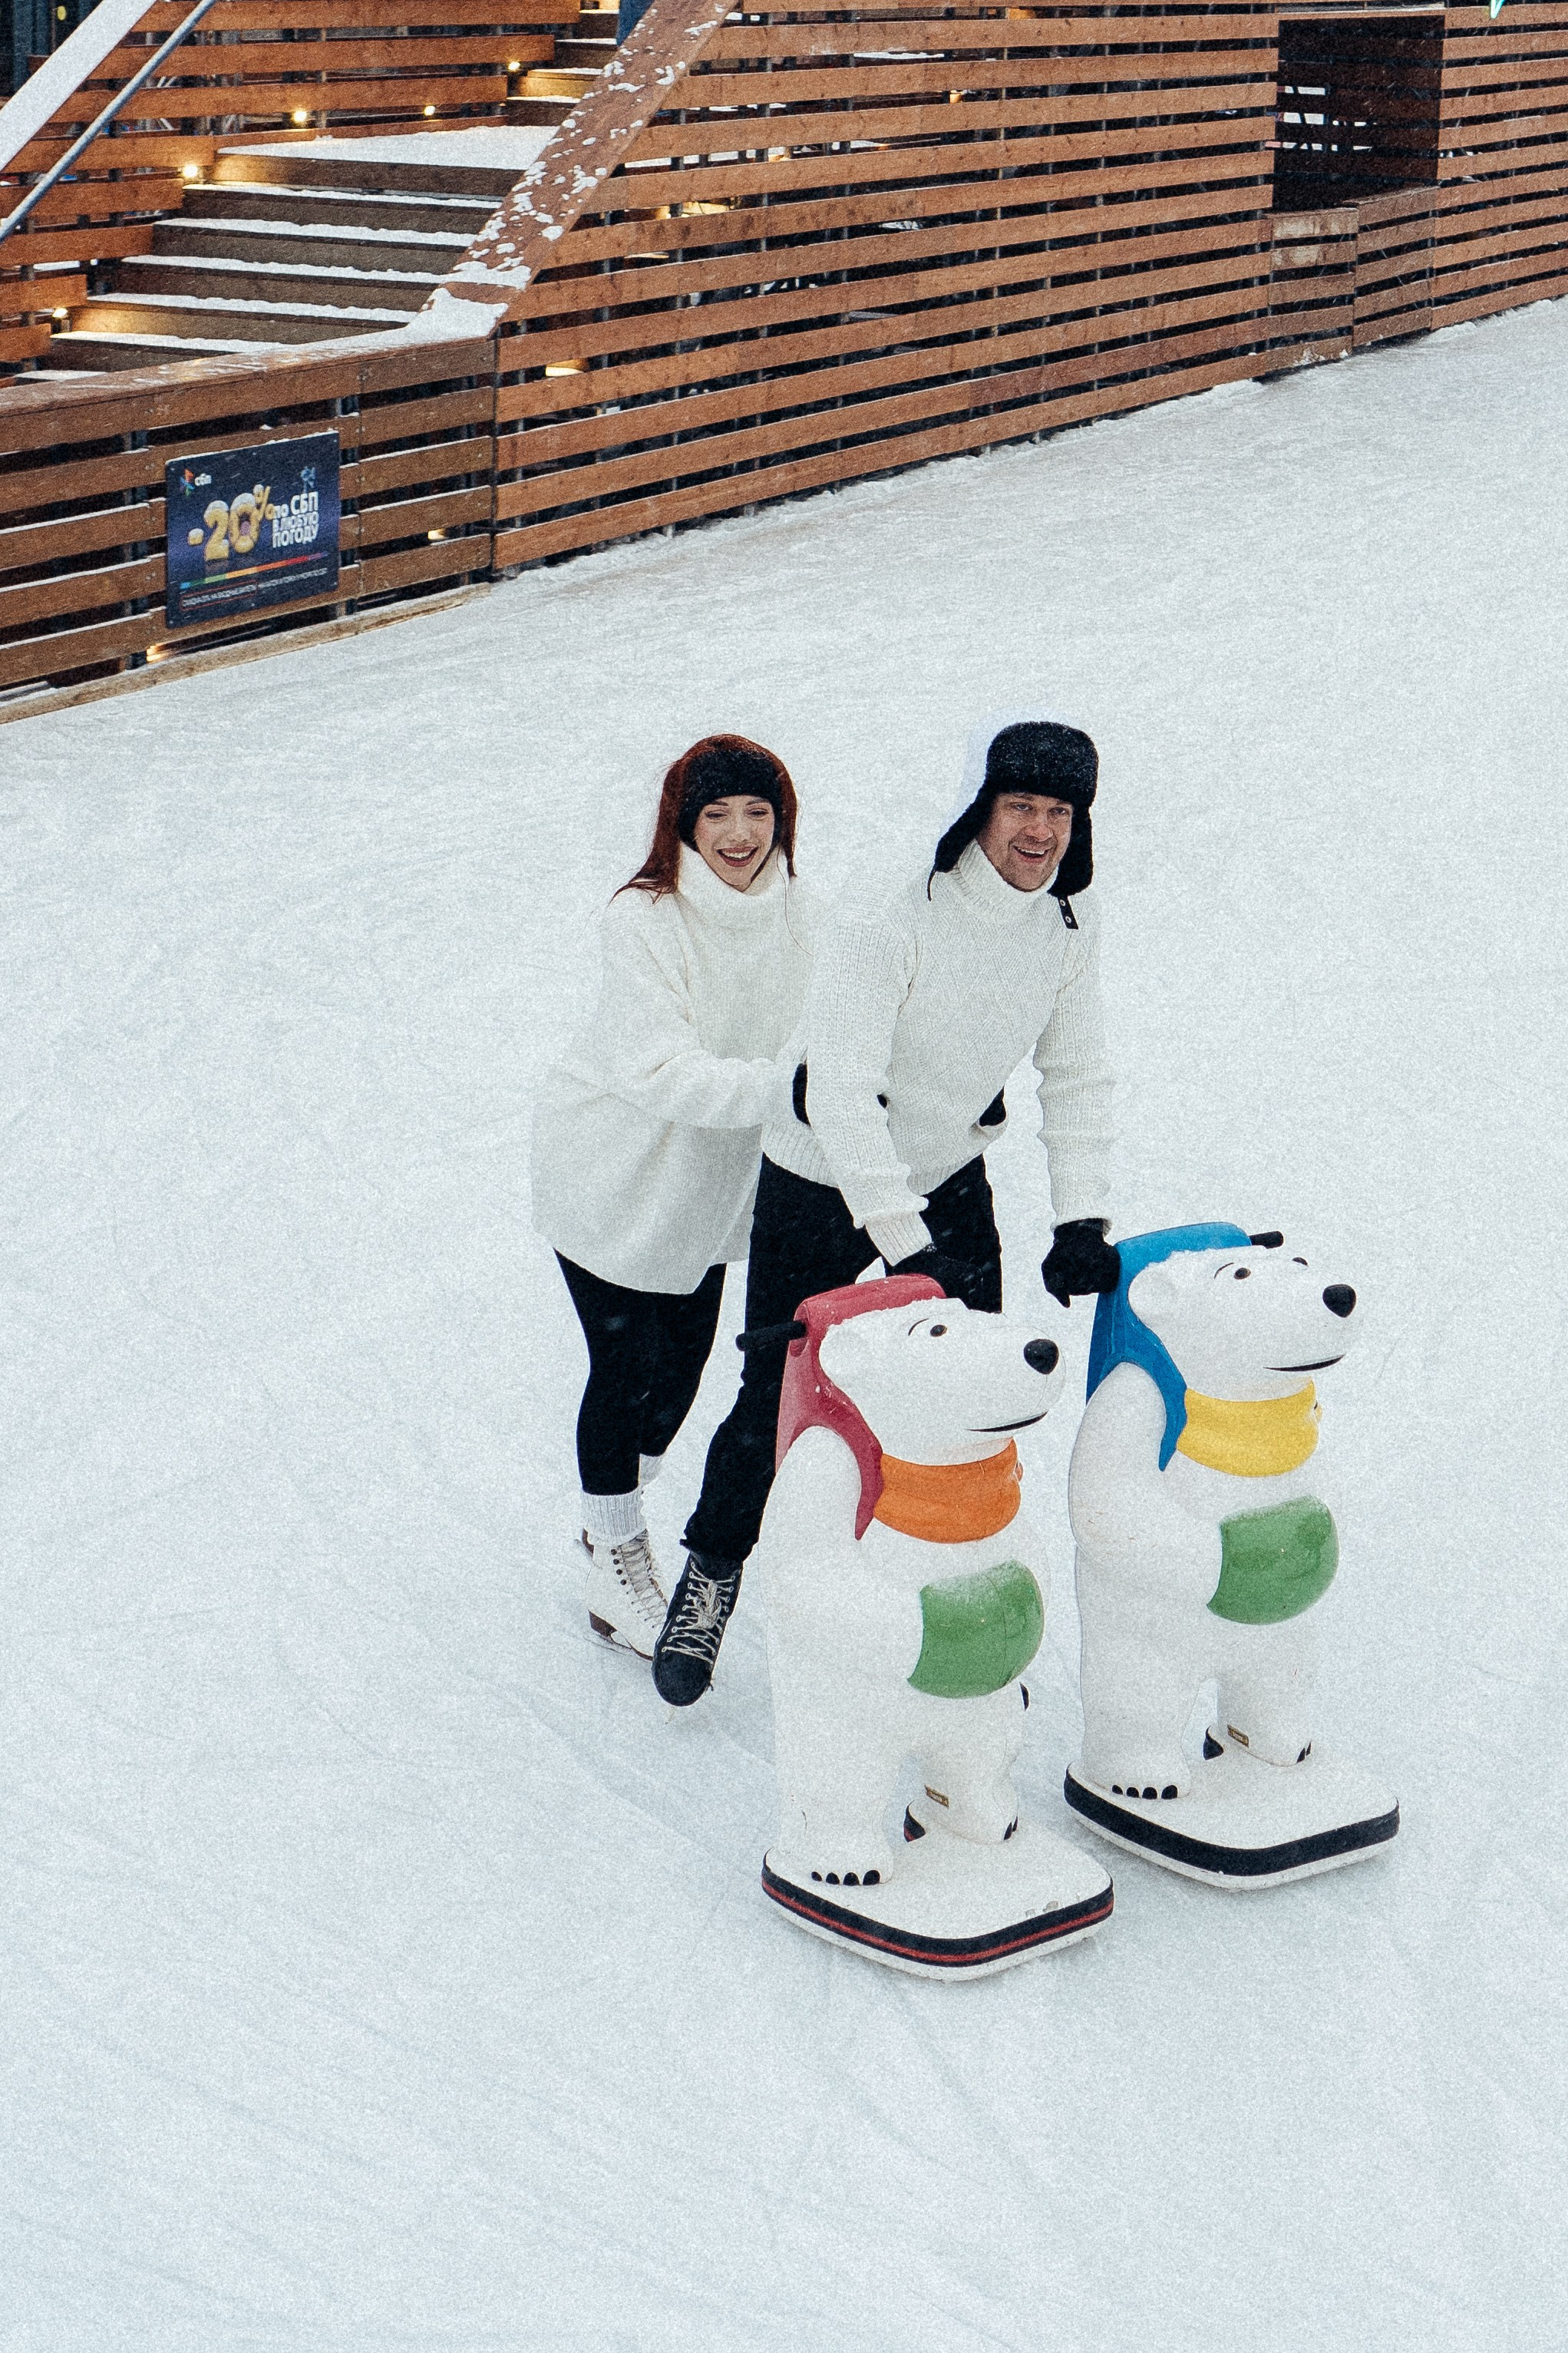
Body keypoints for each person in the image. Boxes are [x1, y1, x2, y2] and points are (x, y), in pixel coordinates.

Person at [652, 712, 1121, 1707]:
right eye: (1018, 806)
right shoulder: (895, 917)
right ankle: (711, 1569)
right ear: (978, 811)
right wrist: (909, 1246)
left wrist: (1078, 1217)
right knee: (773, 1393)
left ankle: (961, 1597)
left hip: (946, 1166)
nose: (1036, 831)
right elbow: (839, 1091)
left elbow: (1074, 1074)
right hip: (823, 1172)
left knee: (974, 1395)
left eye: (1057, 812)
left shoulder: (1064, 932)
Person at [531, 735, 817, 1659]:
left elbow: (852, 1013)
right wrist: (792, 1089)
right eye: (717, 815)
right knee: (623, 1371)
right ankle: (613, 1553)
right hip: (612, 1170)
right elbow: (659, 1070)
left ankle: (607, 1504)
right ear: (683, 825)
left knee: (679, 1383)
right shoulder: (643, 918)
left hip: (704, 1188)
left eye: (757, 812)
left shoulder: (805, 915)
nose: (739, 834)